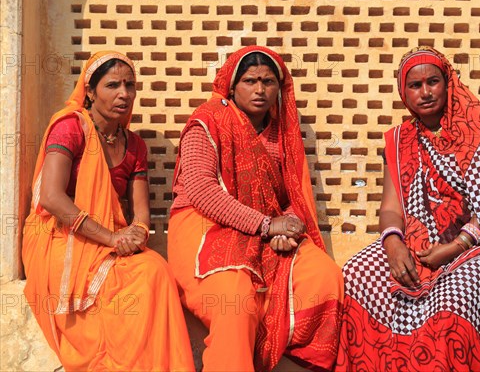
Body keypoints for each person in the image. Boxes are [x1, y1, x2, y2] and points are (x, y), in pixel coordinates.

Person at [336, 47, 480, 371]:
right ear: (403, 93)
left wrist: (453, 248)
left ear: (448, 84)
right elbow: (390, 209)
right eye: (415, 86)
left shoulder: (478, 131)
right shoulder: (400, 138)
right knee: (354, 275)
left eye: (433, 81)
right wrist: (392, 243)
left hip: (474, 245)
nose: (426, 92)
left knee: (452, 305)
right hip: (414, 243)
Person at [168, 46, 343, 371]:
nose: (260, 90)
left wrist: (287, 227)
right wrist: (266, 225)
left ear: (280, 87)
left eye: (268, 81)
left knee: (324, 276)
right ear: (232, 87)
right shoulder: (207, 121)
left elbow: (292, 195)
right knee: (235, 299)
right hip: (204, 230)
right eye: (250, 81)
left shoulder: (282, 133)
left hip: (264, 232)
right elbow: (200, 189)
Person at [22, 51, 194, 371]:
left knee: (155, 270)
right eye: (112, 85)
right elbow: (51, 198)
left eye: (130, 85)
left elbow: (141, 213)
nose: (124, 94)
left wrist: (137, 233)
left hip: (108, 239)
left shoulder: (135, 145)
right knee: (129, 281)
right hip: (59, 235)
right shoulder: (70, 127)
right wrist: (112, 238)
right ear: (89, 92)